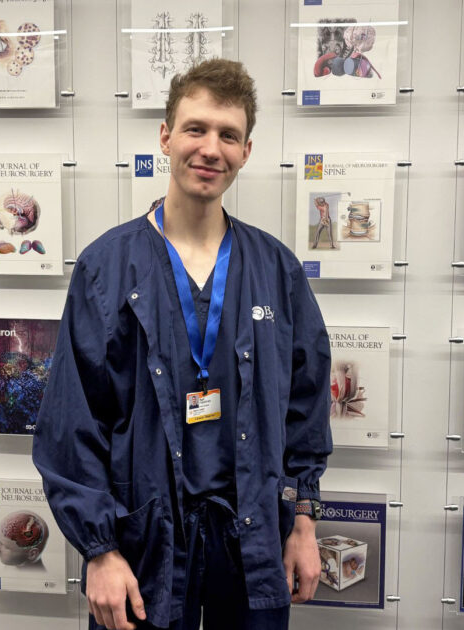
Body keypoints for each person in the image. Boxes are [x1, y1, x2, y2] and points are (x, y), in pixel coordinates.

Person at [33, 59, 332, 630]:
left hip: (253, 541)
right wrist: (98, 549)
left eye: (229, 135)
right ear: (166, 136)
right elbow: (73, 423)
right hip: (142, 546)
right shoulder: (107, 267)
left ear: (247, 150)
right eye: (196, 129)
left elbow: (307, 407)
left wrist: (303, 523)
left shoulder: (276, 270)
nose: (210, 148)